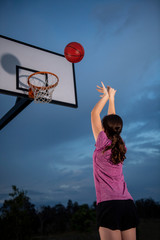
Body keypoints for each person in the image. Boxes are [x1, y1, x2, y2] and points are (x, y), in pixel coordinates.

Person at [91, 82, 139, 240]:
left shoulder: (102, 143)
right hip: (127, 204)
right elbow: (111, 121)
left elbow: (94, 114)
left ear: (104, 129)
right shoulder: (120, 144)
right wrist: (112, 99)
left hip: (109, 205)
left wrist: (106, 97)